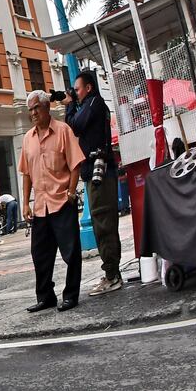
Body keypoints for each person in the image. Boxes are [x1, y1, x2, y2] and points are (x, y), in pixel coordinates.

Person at [20, 90, 86, 313]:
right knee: (40, 254)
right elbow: (26, 173)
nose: (33, 113)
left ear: (47, 108)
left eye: (36, 108)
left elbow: (75, 163)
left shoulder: (63, 130)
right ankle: (45, 296)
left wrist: (71, 191)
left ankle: (71, 295)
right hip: (40, 206)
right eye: (30, 110)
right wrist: (25, 203)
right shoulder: (27, 139)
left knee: (70, 251)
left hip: (61, 201)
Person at [66, 71, 122, 297]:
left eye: (77, 90)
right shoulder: (91, 104)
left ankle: (112, 276)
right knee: (103, 223)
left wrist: (70, 105)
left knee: (103, 224)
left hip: (100, 172)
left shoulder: (94, 103)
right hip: (96, 172)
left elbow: (74, 127)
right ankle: (111, 272)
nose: (75, 94)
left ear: (88, 88)